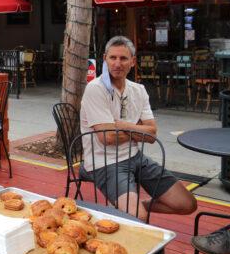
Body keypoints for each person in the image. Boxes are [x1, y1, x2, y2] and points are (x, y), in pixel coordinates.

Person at [79, 35, 197, 221]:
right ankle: (129, 210)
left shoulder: (138, 90)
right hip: (104, 162)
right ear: (105, 59)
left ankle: (128, 208)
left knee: (187, 204)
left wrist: (122, 125)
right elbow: (108, 138)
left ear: (132, 62)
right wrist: (138, 130)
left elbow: (151, 135)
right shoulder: (96, 89)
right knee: (139, 219)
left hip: (135, 157)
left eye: (123, 58)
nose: (117, 63)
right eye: (113, 57)